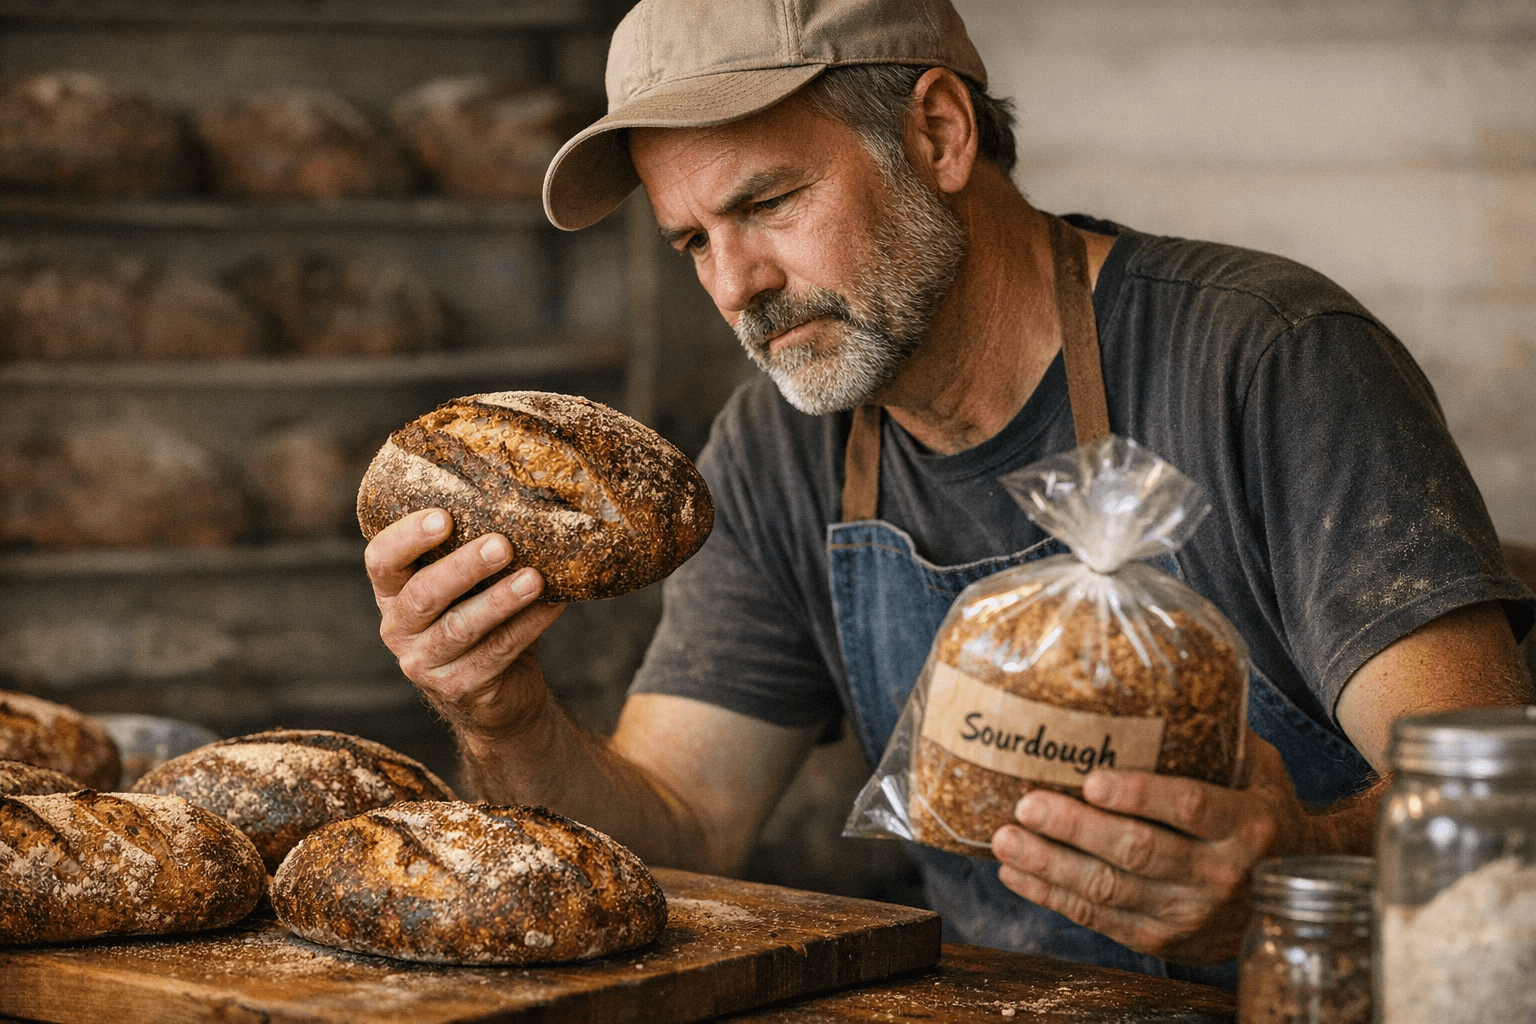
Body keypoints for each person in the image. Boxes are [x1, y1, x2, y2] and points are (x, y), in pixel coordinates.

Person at [364, 0, 1535, 990]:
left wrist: (1297, 866)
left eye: (769, 205)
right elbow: (676, 834)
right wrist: (500, 713)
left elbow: (1500, 810)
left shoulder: (1266, 359)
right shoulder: (780, 448)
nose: (740, 288)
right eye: (692, 242)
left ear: (937, 131)